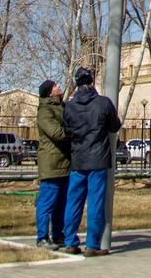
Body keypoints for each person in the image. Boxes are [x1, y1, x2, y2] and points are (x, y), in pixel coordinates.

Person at [62, 66, 121, 256]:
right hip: (98, 160)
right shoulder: (103, 103)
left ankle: (70, 241)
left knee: (73, 201)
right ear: (92, 81)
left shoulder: (69, 106)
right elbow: (114, 126)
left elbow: (67, 131)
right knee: (96, 202)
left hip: (78, 159)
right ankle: (92, 244)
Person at [34, 79, 71, 249]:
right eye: (56, 85)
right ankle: (42, 237)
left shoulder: (62, 107)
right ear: (50, 92)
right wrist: (76, 132)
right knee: (47, 202)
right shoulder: (45, 111)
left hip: (65, 163)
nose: (59, 86)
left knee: (61, 203)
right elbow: (56, 133)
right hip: (51, 164)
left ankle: (58, 234)